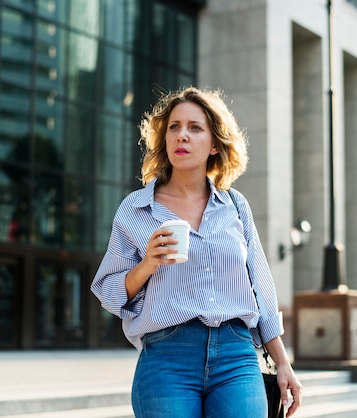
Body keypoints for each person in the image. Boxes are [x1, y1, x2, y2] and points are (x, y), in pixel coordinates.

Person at [91, 86, 302, 418]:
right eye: (174, 127)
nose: (182, 136)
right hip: (167, 358)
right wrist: (147, 264)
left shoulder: (235, 205)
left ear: (214, 144)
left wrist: (283, 363)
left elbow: (262, 289)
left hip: (237, 355)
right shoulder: (135, 209)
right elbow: (109, 292)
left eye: (194, 127)